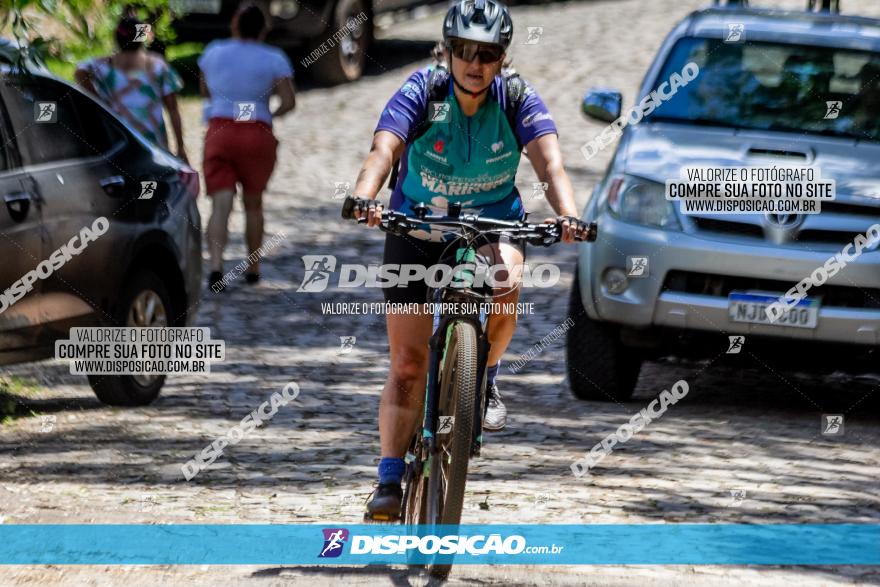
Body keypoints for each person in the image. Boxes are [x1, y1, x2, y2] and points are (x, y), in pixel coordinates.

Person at [352, 0, 588, 518]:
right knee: (409, 363)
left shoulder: (516, 98)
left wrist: (569, 215)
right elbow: (384, 149)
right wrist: (367, 195)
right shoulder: (424, 91)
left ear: (502, 58)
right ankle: (390, 478)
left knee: (505, 279)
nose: (474, 63)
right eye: (464, 51)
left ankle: (485, 374)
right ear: (448, 51)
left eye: (488, 53)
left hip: (490, 223)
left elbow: (551, 165)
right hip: (416, 223)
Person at [199, 3, 296, 290]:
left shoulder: (213, 51)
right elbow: (289, 101)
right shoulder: (274, 57)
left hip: (220, 130)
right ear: (264, 29)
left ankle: (216, 265)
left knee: (220, 205)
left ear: (234, 25)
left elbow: (205, 91)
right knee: (254, 205)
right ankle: (253, 267)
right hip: (257, 133)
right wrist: (268, 116)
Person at [75, 15, 187, 160]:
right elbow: (172, 109)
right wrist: (180, 146)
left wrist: (98, 101)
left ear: (117, 38)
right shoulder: (158, 66)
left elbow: (79, 72)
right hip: (153, 145)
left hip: (117, 142)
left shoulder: (103, 66)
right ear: (141, 39)